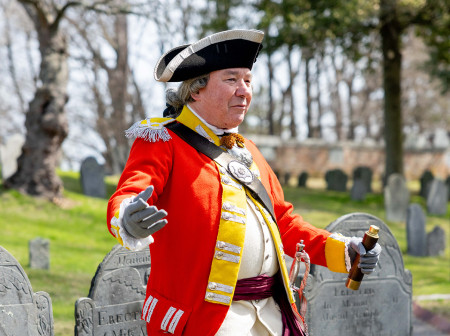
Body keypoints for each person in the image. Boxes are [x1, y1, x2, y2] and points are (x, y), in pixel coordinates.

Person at [107, 29, 381, 336]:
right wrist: (128, 219)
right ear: (196, 89)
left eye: (248, 81)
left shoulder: (247, 150)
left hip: (271, 316)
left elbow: (285, 224)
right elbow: (131, 191)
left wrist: (345, 250)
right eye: (231, 79)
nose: (244, 91)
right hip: (206, 321)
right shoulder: (163, 140)